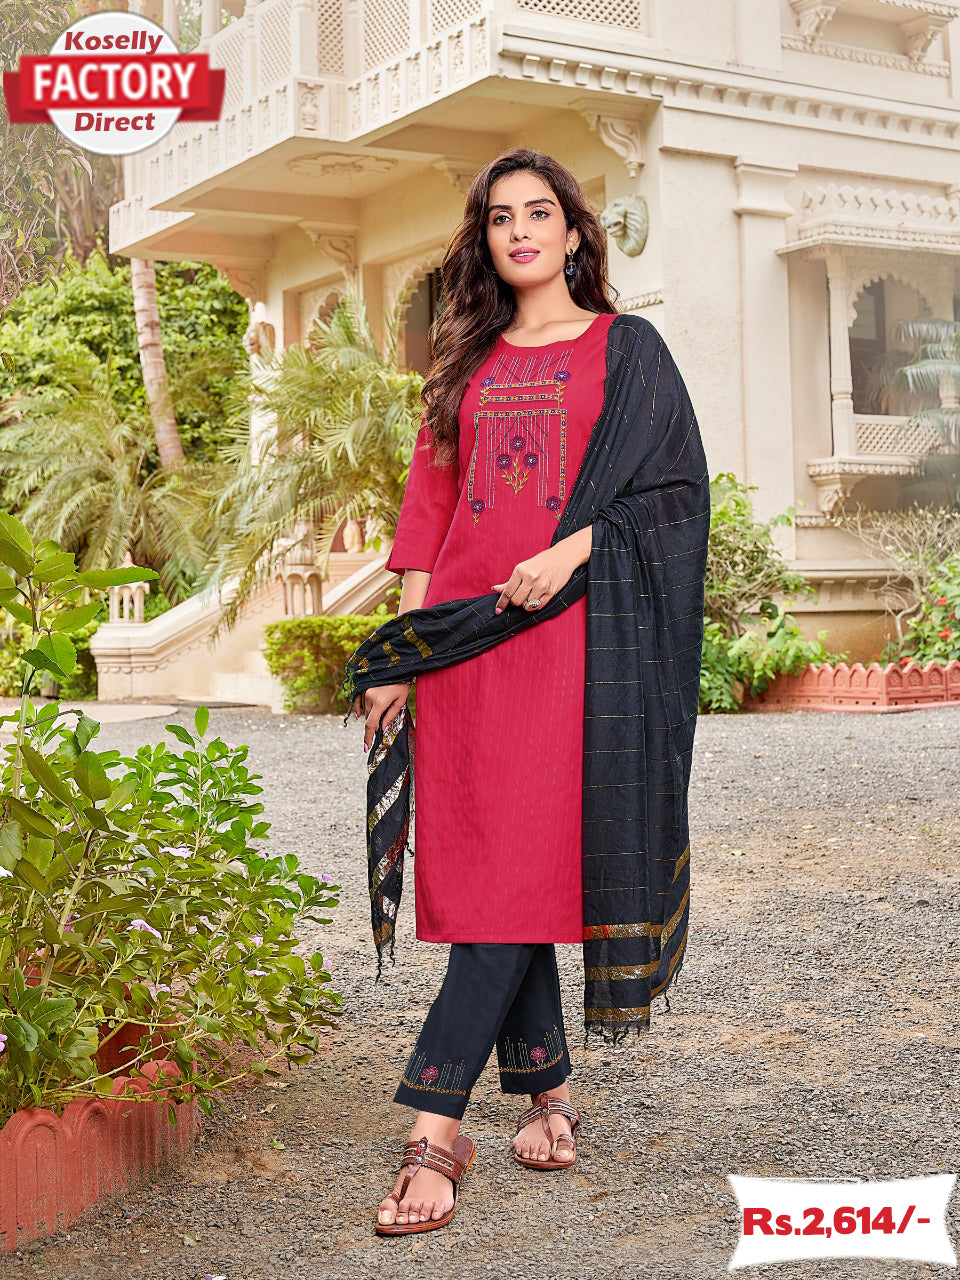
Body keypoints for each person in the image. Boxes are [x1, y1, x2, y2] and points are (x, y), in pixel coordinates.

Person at [347, 148, 708, 1236]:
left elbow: (676, 494)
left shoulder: (626, 350)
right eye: (500, 217)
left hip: (572, 647)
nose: (519, 231)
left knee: (515, 872)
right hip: (467, 648)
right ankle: (548, 1093)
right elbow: (428, 513)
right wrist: (405, 649)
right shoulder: (463, 360)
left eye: (538, 212)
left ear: (574, 232)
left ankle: (434, 1126)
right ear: (486, 240)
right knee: (496, 870)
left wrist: (575, 549)